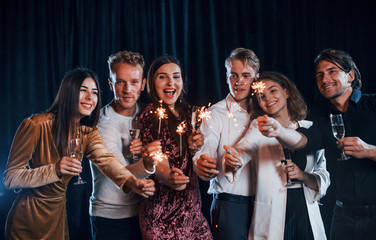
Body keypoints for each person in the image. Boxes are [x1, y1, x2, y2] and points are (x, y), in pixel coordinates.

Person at [3, 67, 155, 240]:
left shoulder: (87, 133)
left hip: (57, 217)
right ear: (68, 93)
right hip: (27, 219)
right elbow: (10, 178)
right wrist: (55, 169)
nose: (90, 98)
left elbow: (106, 161)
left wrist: (132, 181)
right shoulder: (36, 125)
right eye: (83, 91)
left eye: (95, 92)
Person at [224, 72, 330, 240]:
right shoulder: (258, 127)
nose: (268, 98)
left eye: (273, 91)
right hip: (271, 216)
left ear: (286, 92)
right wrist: (235, 159)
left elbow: (323, 176)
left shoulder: (310, 128)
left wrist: (302, 175)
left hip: (305, 215)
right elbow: (243, 150)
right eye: (261, 96)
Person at [138, 56, 212, 239]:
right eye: (162, 77)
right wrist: (168, 176)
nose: (171, 82)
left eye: (176, 76)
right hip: (161, 216)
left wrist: (197, 148)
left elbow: (196, 157)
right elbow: (156, 159)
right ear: (152, 83)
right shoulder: (149, 116)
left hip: (193, 212)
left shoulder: (191, 113)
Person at [192, 48, 259, 240]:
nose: (239, 82)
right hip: (230, 206)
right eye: (234, 75)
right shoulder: (215, 113)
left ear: (257, 78)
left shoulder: (266, 112)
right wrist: (202, 163)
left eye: (246, 75)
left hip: (265, 205)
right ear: (226, 77)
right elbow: (207, 147)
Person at [310, 49, 376, 240]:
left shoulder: (373, 105)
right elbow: (301, 141)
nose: (325, 79)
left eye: (332, 71)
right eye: (319, 75)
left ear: (350, 76)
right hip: (343, 216)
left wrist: (371, 151)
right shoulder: (319, 118)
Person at [89, 51, 155, 240]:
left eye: (134, 82)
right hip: (110, 218)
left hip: (144, 213)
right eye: (120, 82)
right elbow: (121, 172)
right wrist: (148, 162)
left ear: (143, 84)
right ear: (111, 84)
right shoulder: (102, 123)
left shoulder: (148, 114)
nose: (127, 89)